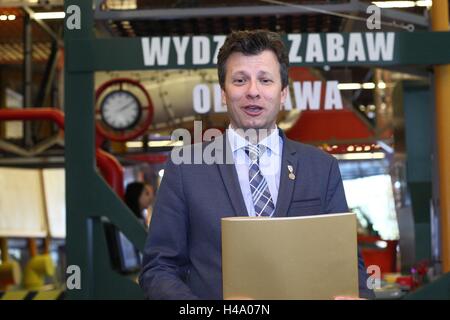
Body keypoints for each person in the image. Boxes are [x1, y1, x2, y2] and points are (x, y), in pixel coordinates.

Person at [139, 30, 375, 300]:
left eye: (265, 80)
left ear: (283, 92)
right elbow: (158, 270)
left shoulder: (321, 168)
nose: (253, 91)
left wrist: (361, 296)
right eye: (240, 80)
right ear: (224, 94)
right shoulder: (185, 169)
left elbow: (348, 265)